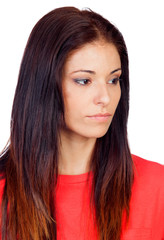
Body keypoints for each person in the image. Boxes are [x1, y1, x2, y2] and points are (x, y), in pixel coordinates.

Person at [0, 6, 163, 240]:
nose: (105, 97)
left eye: (113, 79)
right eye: (84, 80)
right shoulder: (4, 194)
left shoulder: (157, 186)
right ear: (44, 84)